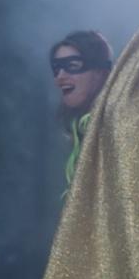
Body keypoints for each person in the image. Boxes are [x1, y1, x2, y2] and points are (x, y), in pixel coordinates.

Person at [49, 30, 113, 192]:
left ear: (99, 72)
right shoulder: (77, 130)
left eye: (72, 66)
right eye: (56, 68)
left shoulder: (118, 125)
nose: (59, 77)